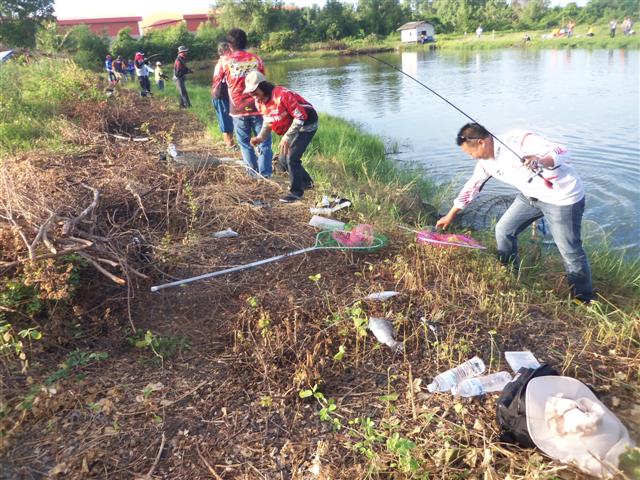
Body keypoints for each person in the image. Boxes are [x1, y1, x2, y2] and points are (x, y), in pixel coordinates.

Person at [436, 123, 593, 303]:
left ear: (481, 142)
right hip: (530, 197)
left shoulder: (518, 140)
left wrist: (540, 161)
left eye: (471, 153)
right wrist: (451, 214)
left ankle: (583, 300)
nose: (472, 158)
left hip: (562, 198)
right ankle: (509, 276)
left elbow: (562, 151)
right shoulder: (485, 164)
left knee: (569, 250)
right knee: (503, 230)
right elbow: (472, 187)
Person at [244, 71, 317, 203]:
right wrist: (260, 137)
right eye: (250, 93)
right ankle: (307, 183)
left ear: (263, 87)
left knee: (292, 158)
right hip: (293, 127)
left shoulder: (283, 95)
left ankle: (296, 193)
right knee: (283, 160)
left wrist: (287, 137)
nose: (253, 95)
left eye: (255, 92)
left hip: (306, 125)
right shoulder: (259, 102)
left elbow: (300, 117)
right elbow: (268, 120)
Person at [212, 28, 272, 178]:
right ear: (246, 42)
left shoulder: (224, 61)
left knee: (245, 143)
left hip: (238, 109)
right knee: (264, 142)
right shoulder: (256, 59)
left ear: (229, 45)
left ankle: (252, 174)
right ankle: (266, 174)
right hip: (259, 107)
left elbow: (216, 83)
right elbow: (262, 79)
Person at [211, 42, 235, 148]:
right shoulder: (225, 61)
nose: (232, 51)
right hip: (221, 95)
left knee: (226, 119)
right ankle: (229, 144)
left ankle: (229, 142)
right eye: (230, 49)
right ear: (225, 51)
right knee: (226, 120)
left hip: (221, 94)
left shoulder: (222, 61)